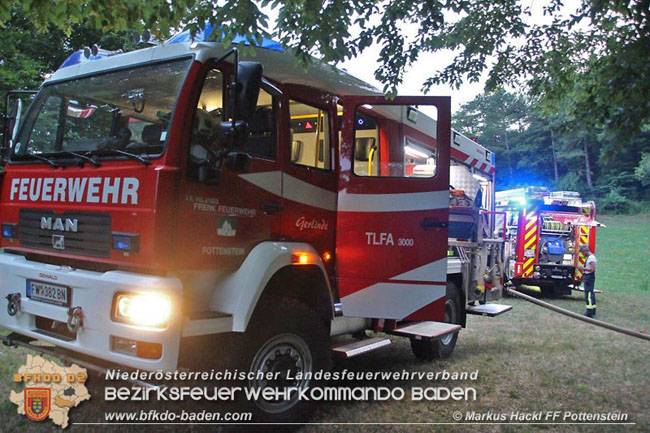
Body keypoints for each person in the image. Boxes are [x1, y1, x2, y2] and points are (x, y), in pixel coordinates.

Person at [578, 245, 597, 317]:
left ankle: (589, 311)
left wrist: (583, 268)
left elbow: (592, 269)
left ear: (585, 251)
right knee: (590, 293)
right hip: (588, 276)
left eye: (582, 252)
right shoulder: (589, 257)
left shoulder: (591, 258)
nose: (582, 254)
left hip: (589, 277)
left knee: (588, 294)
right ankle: (592, 309)